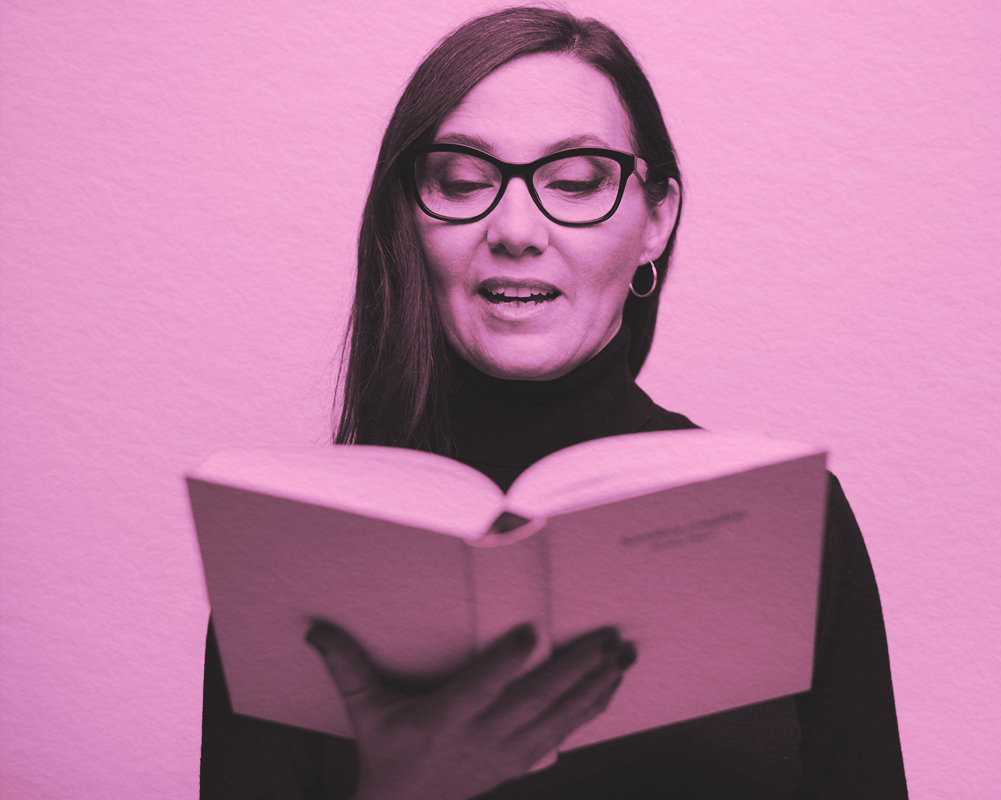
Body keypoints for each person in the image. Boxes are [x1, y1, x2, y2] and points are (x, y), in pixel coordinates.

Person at [200, 8, 907, 798]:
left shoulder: (786, 515)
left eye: (575, 183)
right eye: (463, 180)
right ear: (407, 214)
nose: (515, 227)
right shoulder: (292, 542)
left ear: (656, 220)